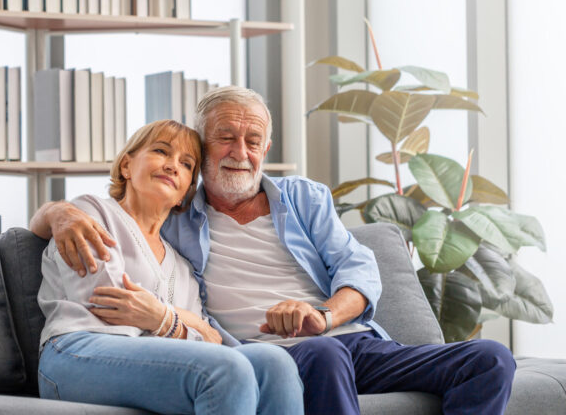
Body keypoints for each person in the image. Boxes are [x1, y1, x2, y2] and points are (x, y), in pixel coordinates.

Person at [31, 86, 518, 415]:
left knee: (491, 357)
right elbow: (107, 247)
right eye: (225, 137)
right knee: (317, 357)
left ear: (266, 148)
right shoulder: (178, 214)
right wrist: (60, 213)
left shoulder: (304, 198)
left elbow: (358, 270)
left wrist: (322, 317)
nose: (240, 151)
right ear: (205, 150)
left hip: (350, 340)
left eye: (253, 140)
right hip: (279, 352)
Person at [35, 118, 303, 415]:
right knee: (226, 367)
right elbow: (108, 302)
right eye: (161, 151)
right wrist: (180, 322)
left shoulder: (182, 266)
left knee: (275, 363)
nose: (173, 165)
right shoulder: (90, 212)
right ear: (126, 166)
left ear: (186, 192)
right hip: (75, 352)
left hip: (150, 361)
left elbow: (209, 340)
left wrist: (164, 318)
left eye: (187, 164)